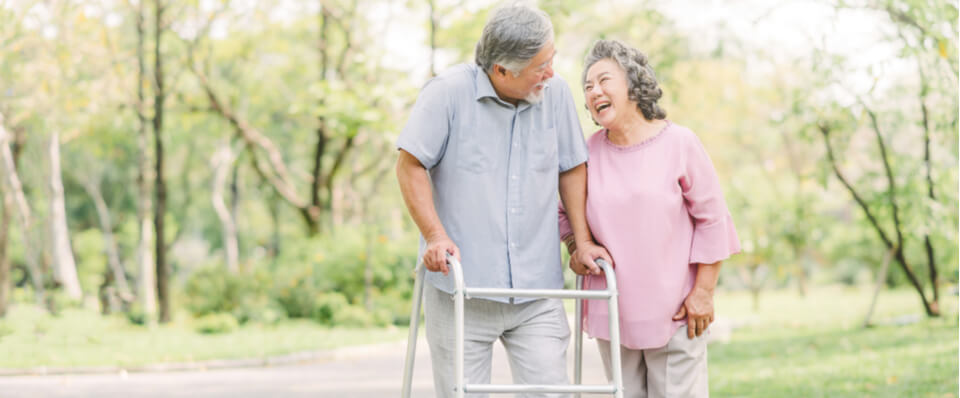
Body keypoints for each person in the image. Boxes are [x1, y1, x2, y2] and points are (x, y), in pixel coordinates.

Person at [395, 3, 610, 397]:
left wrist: (581, 242)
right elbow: (410, 165)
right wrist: (434, 235)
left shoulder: (555, 93)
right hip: (462, 289)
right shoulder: (447, 93)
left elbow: (572, 167)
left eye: (552, 60)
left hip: (537, 291)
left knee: (554, 392)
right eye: (540, 66)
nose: (551, 73)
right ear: (501, 71)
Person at [559, 39, 741, 398]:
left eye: (604, 80)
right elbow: (563, 212)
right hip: (611, 309)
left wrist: (703, 291)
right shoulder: (586, 152)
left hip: (675, 311)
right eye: (588, 86)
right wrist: (576, 246)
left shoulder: (679, 143)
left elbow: (713, 220)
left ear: (633, 84)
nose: (594, 91)